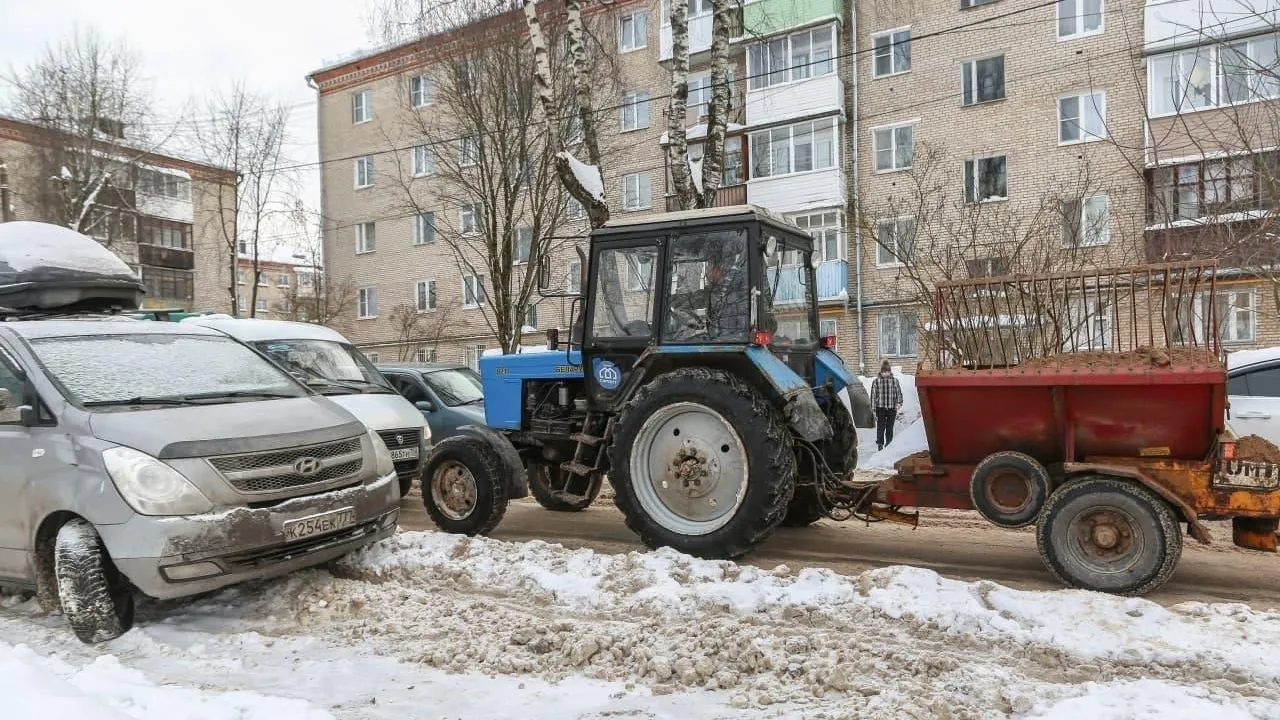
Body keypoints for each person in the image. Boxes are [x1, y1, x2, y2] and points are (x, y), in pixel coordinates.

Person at [870, 360, 903, 451]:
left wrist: (899, 403)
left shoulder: (894, 381)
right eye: (884, 372)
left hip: (892, 408)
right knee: (881, 427)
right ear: (881, 372)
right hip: (880, 408)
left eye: (887, 371)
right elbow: (873, 396)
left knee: (890, 427)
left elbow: (898, 393)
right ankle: (880, 444)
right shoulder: (876, 381)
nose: (886, 373)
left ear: (890, 371)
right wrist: (873, 409)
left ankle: (889, 444)